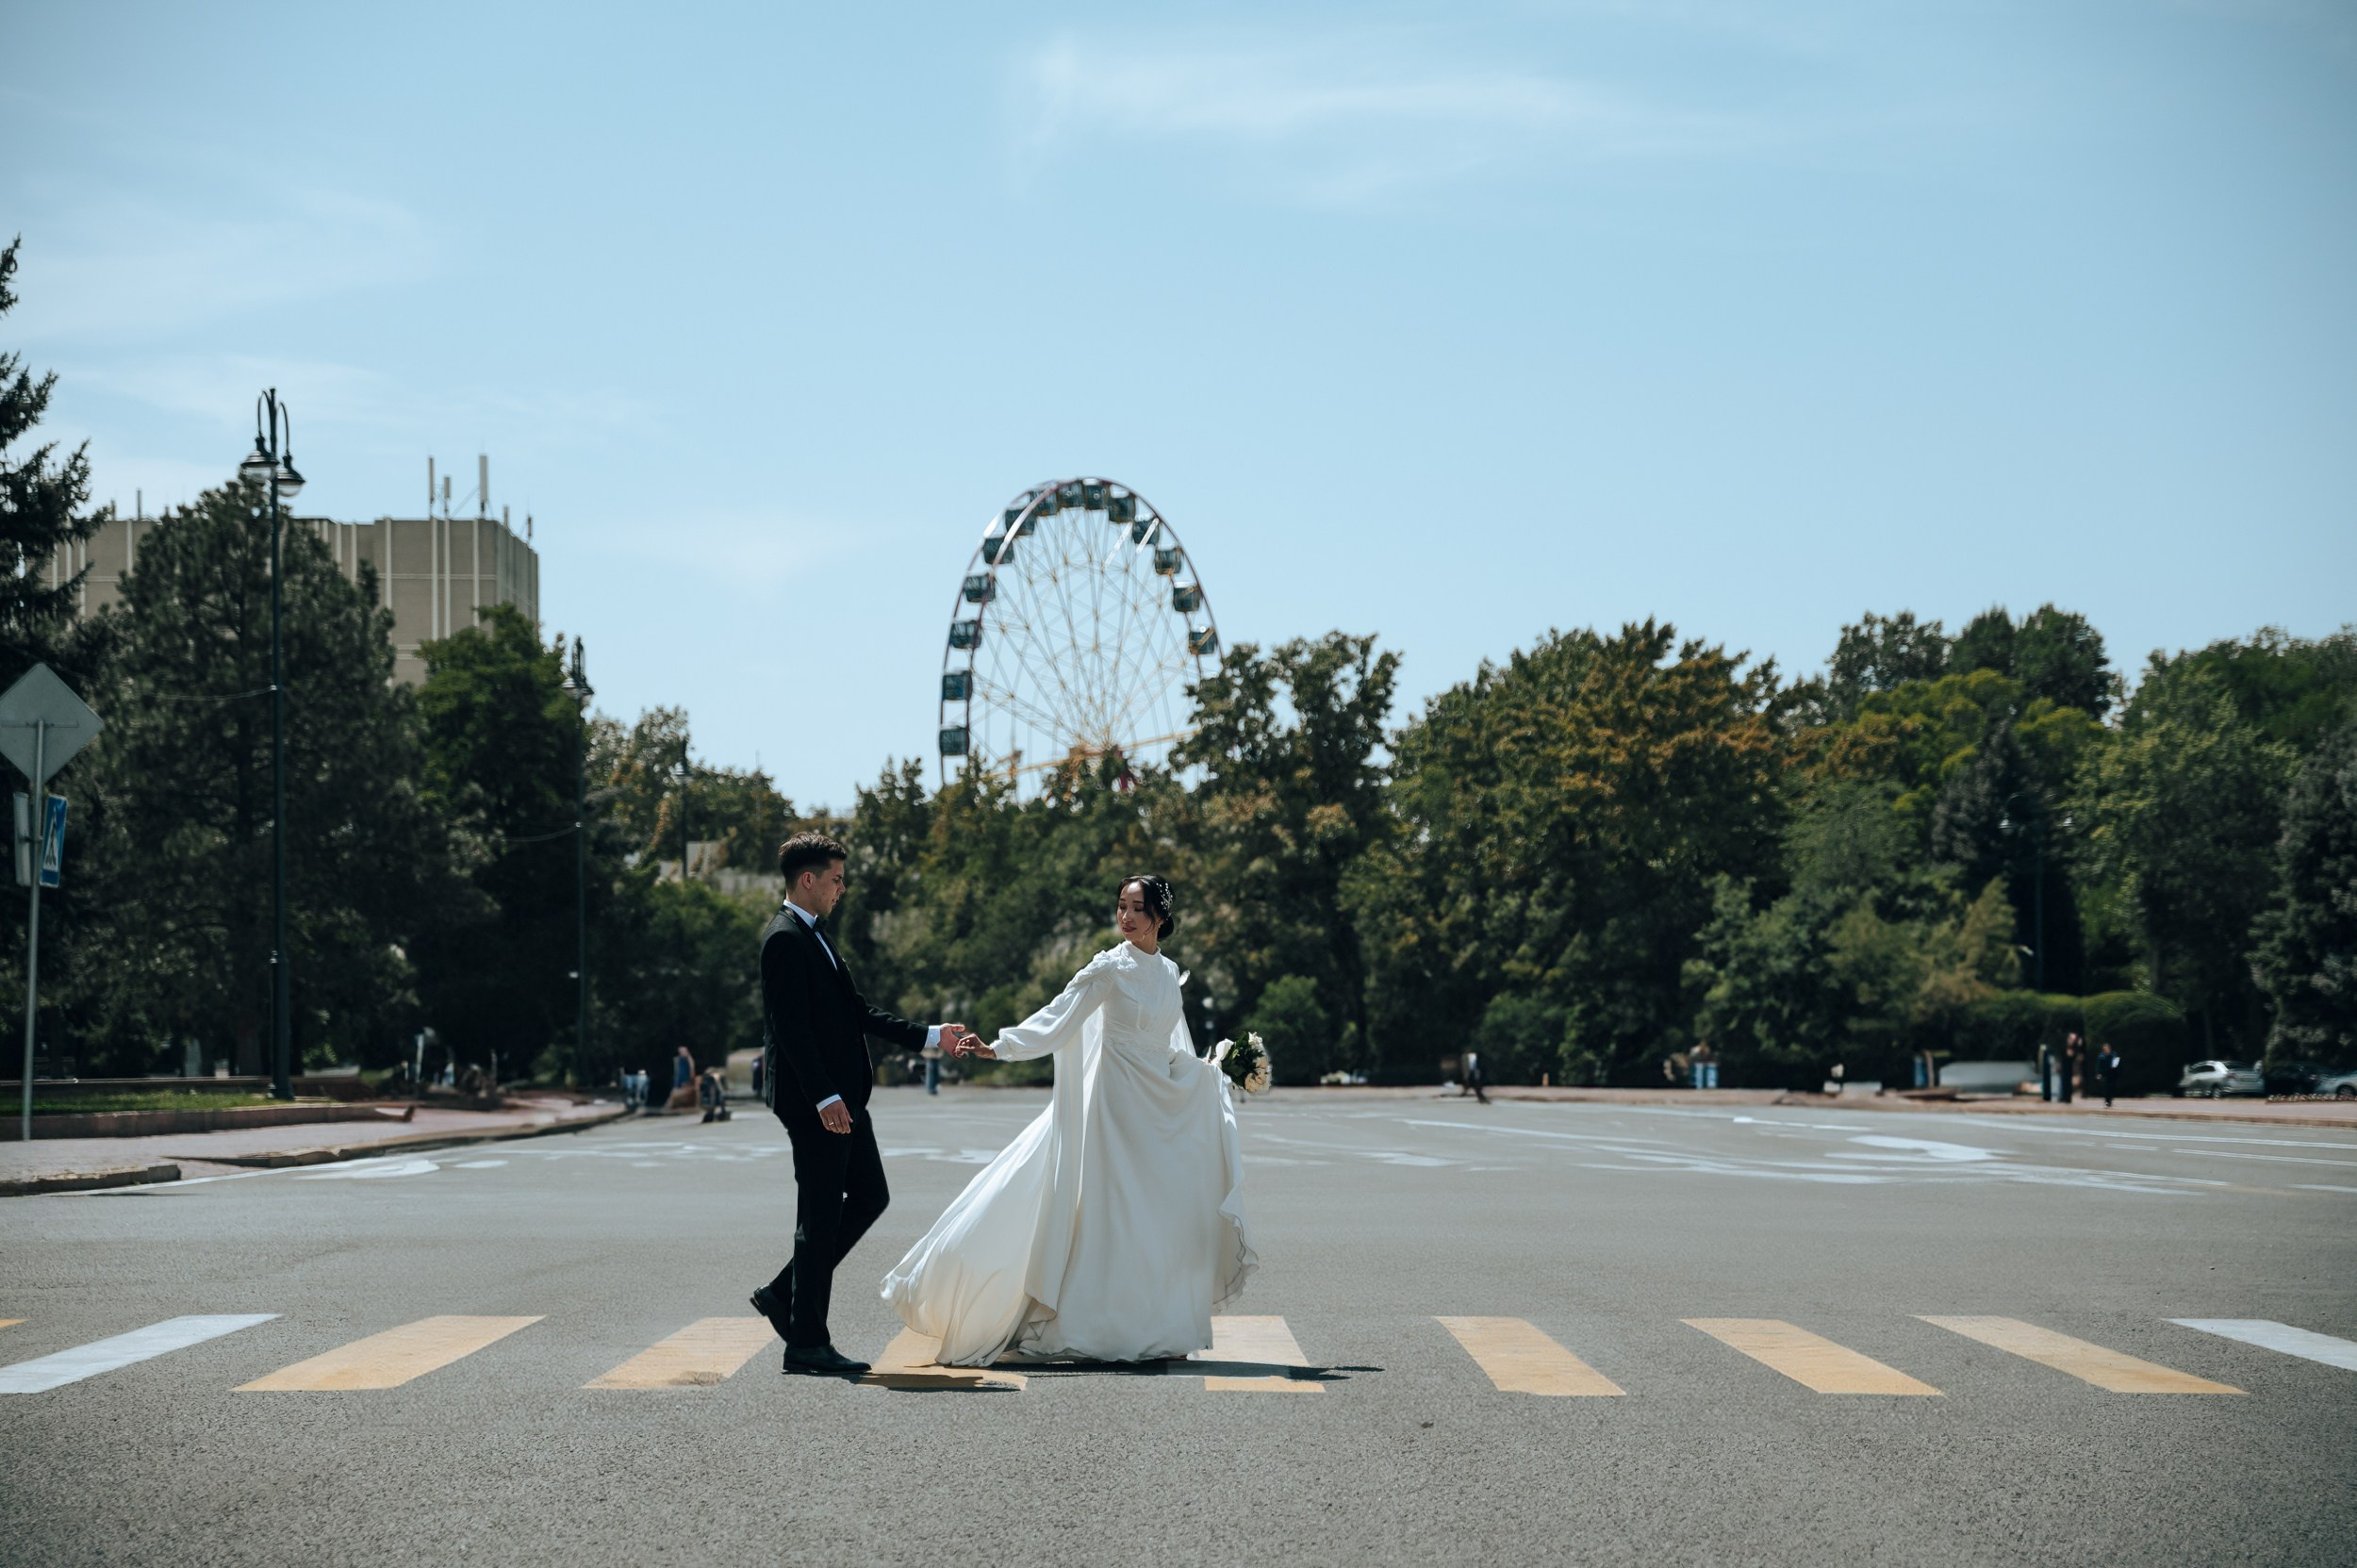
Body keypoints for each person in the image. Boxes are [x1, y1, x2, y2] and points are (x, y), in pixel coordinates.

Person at [882, 875, 1256, 1367]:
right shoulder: (1109, 969)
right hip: (1110, 1105)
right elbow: (1059, 1017)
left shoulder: (1167, 973)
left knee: (1149, 1217)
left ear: (1160, 918)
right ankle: (1088, 1324)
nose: (1125, 916)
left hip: (1152, 1109)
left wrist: (1211, 1072)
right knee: (1109, 1212)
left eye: (1136, 908)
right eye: (1120, 906)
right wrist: (1002, 1047)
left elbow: (1168, 1048)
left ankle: (1151, 1326)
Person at [750, 833, 972, 1377]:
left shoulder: (818, 937)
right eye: (836, 879)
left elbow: (857, 1012)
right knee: (820, 1216)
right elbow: (791, 1031)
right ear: (809, 880)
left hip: (843, 1099)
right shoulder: (784, 939)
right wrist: (824, 1096)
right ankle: (806, 1342)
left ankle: (784, 1294)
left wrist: (929, 1034)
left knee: (870, 1194)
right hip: (817, 1102)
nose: (842, 888)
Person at [2096, 1040, 2121, 1108]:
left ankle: (2110, 1101)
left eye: (2107, 1049)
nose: (2106, 1050)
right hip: (2105, 1075)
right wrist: (2099, 1073)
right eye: (2104, 1049)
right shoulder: (2101, 1056)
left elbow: (2117, 1061)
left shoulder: (2114, 1054)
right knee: (2106, 1088)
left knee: (2112, 1088)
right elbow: (2099, 1066)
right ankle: (2107, 1102)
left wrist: (2115, 1065)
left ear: (2109, 1048)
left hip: (2113, 1074)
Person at [922, 1032, 943, 1096]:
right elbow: (922, 1049)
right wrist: (926, 1055)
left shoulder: (936, 1041)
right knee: (930, 1075)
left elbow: (941, 1048)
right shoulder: (926, 1041)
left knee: (935, 1074)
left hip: (936, 1058)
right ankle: (931, 1089)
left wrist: (939, 1055)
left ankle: (933, 1088)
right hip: (930, 1058)